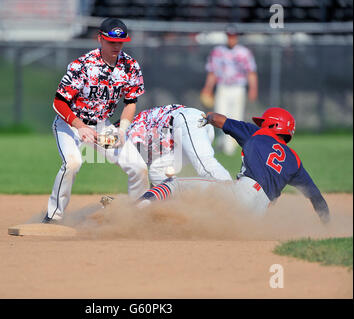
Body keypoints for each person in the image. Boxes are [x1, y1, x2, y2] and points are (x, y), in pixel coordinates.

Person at [138, 107, 331, 224]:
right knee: (210, 211)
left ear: (273, 126)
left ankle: (137, 208)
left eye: (265, 123)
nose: (261, 125)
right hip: (258, 215)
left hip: (243, 193)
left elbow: (218, 120)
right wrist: (327, 226)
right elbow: (317, 199)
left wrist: (207, 117)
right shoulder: (294, 160)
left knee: (173, 184)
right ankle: (165, 219)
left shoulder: (258, 133)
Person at [43, 18, 149, 223]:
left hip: (102, 126)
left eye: (120, 42)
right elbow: (59, 102)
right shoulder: (83, 65)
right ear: (100, 38)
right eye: (111, 41)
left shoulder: (130, 66)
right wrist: (80, 126)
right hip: (71, 124)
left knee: (138, 167)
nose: (116, 46)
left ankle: (139, 216)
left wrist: (122, 129)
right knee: (73, 163)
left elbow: (130, 102)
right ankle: (53, 217)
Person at [126, 104, 232, 186]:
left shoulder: (131, 130)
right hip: (183, 132)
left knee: (205, 166)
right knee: (156, 170)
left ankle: (234, 198)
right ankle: (178, 203)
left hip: (185, 122)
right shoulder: (136, 130)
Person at [200, 24, 258, 155]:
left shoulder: (244, 52)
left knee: (235, 117)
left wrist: (253, 88)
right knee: (220, 114)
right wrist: (207, 88)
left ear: (236, 37)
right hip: (223, 87)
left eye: (233, 36)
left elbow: (251, 72)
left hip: (238, 87)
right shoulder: (218, 51)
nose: (231, 39)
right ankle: (223, 143)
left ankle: (230, 147)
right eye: (229, 36)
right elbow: (212, 72)